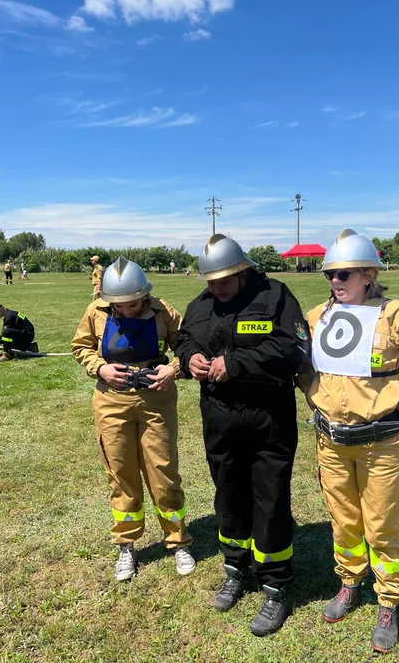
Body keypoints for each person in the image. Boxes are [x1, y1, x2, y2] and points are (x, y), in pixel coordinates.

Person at [299, 229, 399, 653]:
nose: (336, 281)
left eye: (346, 274)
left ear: (369, 274)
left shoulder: (396, 315)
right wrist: (313, 394)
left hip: (380, 445)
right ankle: (349, 583)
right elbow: (295, 359)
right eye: (331, 274)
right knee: (344, 521)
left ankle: (388, 601)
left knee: (381, 525)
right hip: (330, 442)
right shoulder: (318, 316)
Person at [176, 234, 309, 636]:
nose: (216, 289)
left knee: (269, 499)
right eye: (210, 282)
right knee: (228, 493)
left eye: (224, 281)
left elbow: (293, 349)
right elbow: (183, 339)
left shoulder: (276, 296)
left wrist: (235, 363)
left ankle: (275, 584)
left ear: (242, 270)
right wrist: (189, 359)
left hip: (269, 418)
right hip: (219, 419)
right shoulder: (200, 305)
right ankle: (235, 567)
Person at [71, 256, 195, 582]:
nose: (126, 310)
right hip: (111, 401)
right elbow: (81, 346)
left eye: (133, 303)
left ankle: (178, 540)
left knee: (163, 472)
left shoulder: (163, 311)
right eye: (120, 305)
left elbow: (187, 347)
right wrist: (100, 368)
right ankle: (127, 544)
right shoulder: (95, 311)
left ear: (145, 294)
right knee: (121, 473)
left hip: (156, 400)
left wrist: (175, 369)